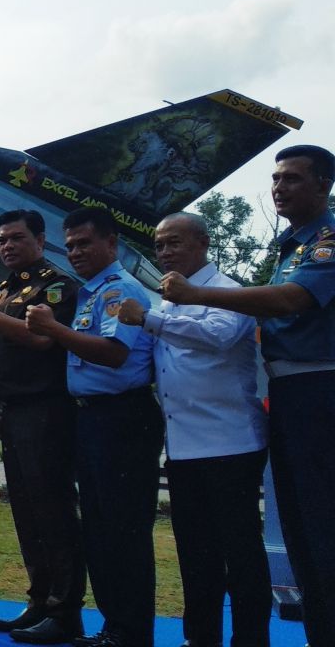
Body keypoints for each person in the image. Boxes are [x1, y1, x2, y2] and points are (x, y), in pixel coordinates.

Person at [160, 144, 335, 647]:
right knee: (301, 530)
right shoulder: (291, 245)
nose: (279, 188)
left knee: (321, 525)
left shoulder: (326, 240)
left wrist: (198, 296)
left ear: (323, 185)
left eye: (293, 179)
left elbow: (293, 300)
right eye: (276, 179)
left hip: (318, 387)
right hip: (289, 389)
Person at [117, 213, 270, 647]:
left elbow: (217, 336)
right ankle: (200, 638)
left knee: (240, 555)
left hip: (230, 441)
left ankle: (251, 641)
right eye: (159, 245)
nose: (164, 252)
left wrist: (148, 319)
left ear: (202, 242)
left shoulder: (229, 291)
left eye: (174, 243)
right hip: (183, 446)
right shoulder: (169, 298)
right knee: (195, 554)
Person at [26, 208, 161, 647]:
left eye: (85, 243)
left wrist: (53, 329)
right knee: (100, 529)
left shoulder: (120, 290)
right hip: (92, 417)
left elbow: (114, 353)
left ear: (111, 244)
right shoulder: (92, 292)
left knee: (123, 530)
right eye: (70, 246)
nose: (76, 252)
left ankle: (130, 631)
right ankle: (113, 627)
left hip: (122, 417)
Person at [0, 210, 85, 644]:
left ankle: (65, 612)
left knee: (53, 511)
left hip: (47, 408)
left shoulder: (55, 284)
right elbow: (5, 358)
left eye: (16, 238)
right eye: (2, 240)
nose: (7, 246)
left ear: (40, 239)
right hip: (13, 408)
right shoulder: (6, 287)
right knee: (27, 514)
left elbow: (41, 339)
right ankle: (39, 600)